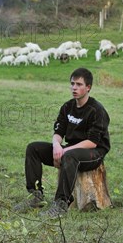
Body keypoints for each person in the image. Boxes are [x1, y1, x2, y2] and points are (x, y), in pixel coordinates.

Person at [14, 67, 111, 217]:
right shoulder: (68, 107)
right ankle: (35, 196)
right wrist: (56, 146)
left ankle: (61, 204)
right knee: (33, 148)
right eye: (72, 83)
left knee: (70, 156)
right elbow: (58, 132)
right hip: (71, 150)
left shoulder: (96, 110)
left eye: (79, 84)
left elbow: (92, 142)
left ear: (88, 87)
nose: (74, 87)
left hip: (94, 152)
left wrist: (65, 151)